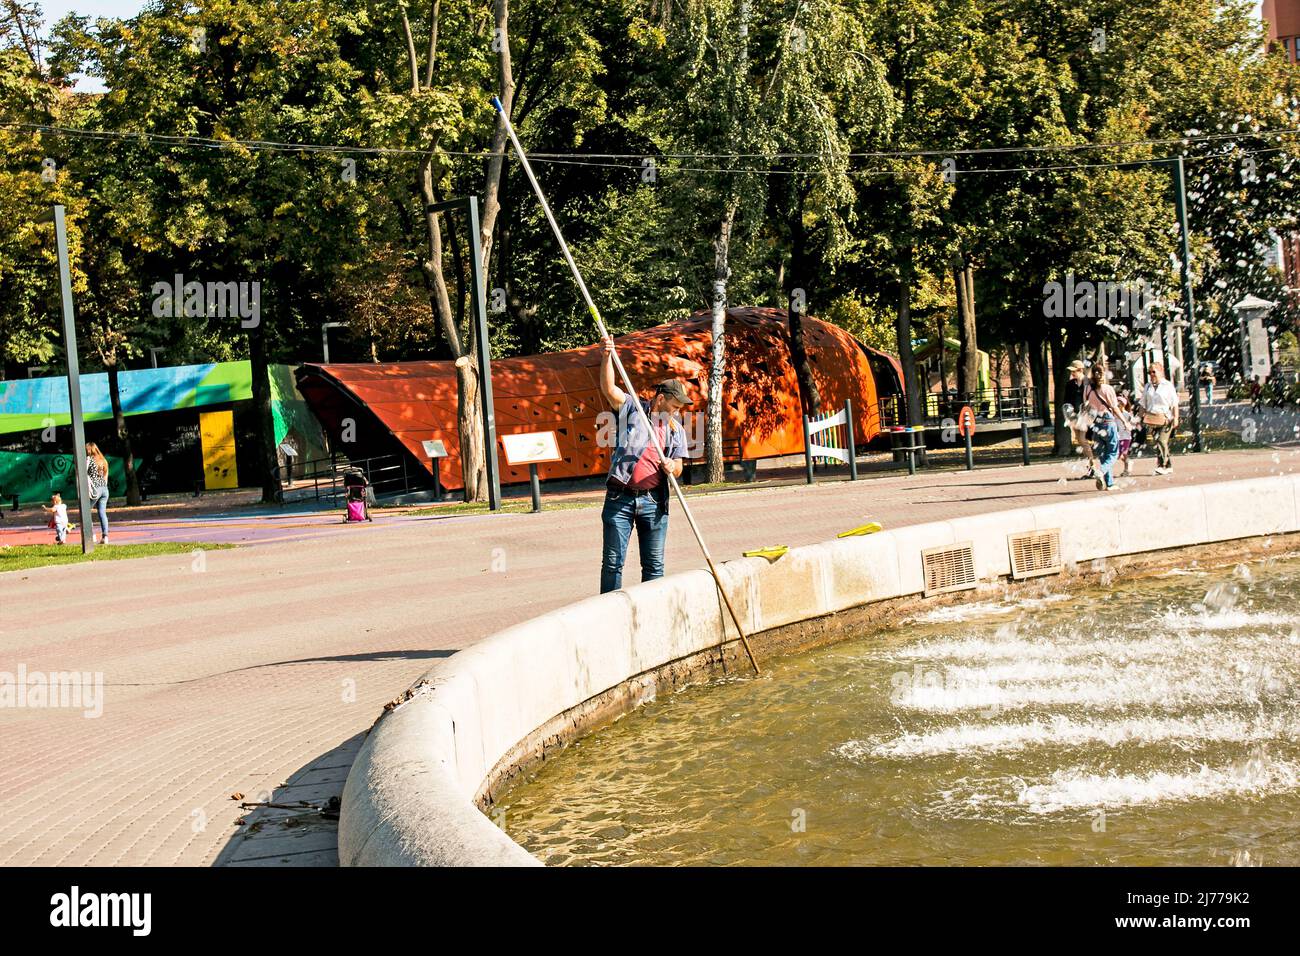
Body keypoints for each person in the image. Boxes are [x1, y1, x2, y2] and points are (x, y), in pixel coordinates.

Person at [598, 337, 689, 594]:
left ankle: (651, 612)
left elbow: (680, 467)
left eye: (680, 408)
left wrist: (672, 466)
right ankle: (609, 612)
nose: (676, 412)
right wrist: (607, 356)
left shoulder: (675, 430)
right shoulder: (633, 410)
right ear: (660, 399)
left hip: (654, 501)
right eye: (674, 406)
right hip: (620, 499)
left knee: (654, 566)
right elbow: (609, 388)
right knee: (613, 563)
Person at [1083, 363, 1122, 491]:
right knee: (1113, 452)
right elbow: (1114, 407)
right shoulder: (1107, 389)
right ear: (1103, 374)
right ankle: (1101, 472)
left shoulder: (1087, 389)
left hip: (1095, 423)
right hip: (1107, 421)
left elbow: (1086, 408)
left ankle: (1109, 483)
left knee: (1103, 455)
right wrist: (1125, 421)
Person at [1141, 362, 1180, 475]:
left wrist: (1176, 418)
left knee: (1161, 440)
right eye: (1150, 372)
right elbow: (1143, 403)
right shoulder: (1148, 386)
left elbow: (1174, 403)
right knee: (1158, 442)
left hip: (1166, 418)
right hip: (1152, 418)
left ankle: (1162, 465)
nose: (1151, 374)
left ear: (1161, 371)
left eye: (1154, 372)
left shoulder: (1167, 385)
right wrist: (1138, 418)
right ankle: (1168, 465)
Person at [1063, 360, 1096, 478]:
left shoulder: (1089, 383)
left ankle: (1093, 467)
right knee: (1080, 442)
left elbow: (1093, 399)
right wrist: (1068, 415)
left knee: (1082, 440)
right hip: (1074, 416)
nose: (1072, 373)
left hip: (1086, 415)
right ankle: (1090, 467)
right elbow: (1067, 401)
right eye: (1071, 371)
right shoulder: (1070, 384)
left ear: (1080, 370)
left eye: (1074, 371)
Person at [85, 441, 110, 545]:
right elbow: (105, 477)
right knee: (102, 513)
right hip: (104, 489)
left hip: (95, 489)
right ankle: (105, 537)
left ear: (89, 449)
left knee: (85, 511)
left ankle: (92, 536)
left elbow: (83, 472)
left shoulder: (89, 460)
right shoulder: (103, 460)